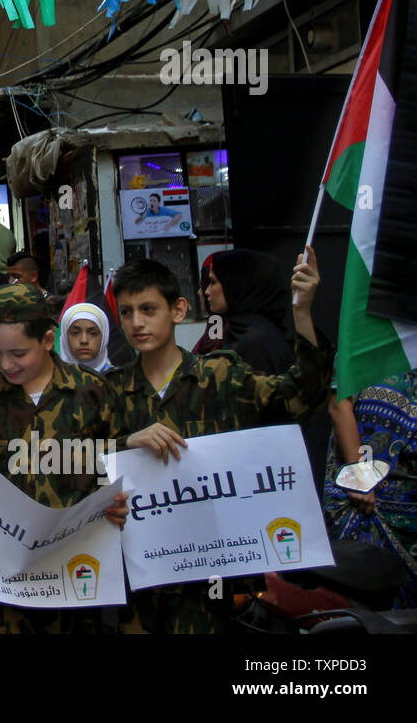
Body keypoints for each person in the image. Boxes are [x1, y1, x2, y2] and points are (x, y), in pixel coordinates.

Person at [104, 253, 332, 633]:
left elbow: (301, 396)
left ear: (178, 310)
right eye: (126, 312)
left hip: (212, 576)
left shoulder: (221, 376)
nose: (136, 322)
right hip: (139, 580)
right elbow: (72, 458)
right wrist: (126, 442)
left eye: (148, 309)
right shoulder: (110, 390)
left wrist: (304, 313)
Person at [0, 284, 131, 633]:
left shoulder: (92, 392)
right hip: (3, 576)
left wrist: (116, 501)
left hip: (76, 568)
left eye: (18, 352)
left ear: (48, 340)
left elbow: (114, 462)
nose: (5, 364)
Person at [323, 372, 417, 609]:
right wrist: (361, 475)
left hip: (409, 504)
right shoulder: (364, 338)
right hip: (364, 500)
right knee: (365, 599)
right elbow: (338, 404)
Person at [206, 247, 295, 375]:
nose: (207, 291)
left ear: (235, 285)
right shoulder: (241, 331)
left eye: (213, 282)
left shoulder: (254, 344)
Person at [58, 302, 112, 373]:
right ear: (65, 337)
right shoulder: (48, 379)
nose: (84, 340)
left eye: (93, 333)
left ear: (104, 337)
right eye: (75, 333)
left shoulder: (119, 380)